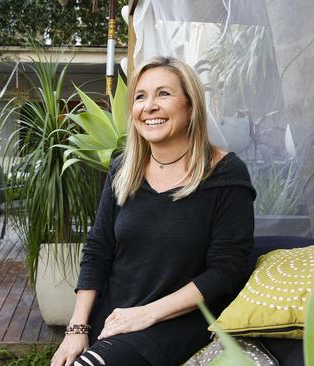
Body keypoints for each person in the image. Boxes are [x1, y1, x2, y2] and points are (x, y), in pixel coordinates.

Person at [51, 56, 256, 366]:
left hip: (175, 322)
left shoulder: (225, 174)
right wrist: (77, 327)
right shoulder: (123, 169)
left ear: (190, 105)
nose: (149, 106)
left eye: (164, 93)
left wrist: (146, 315)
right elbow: (98, 249)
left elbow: (227, 271)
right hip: (115, 315)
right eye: (140, 96)